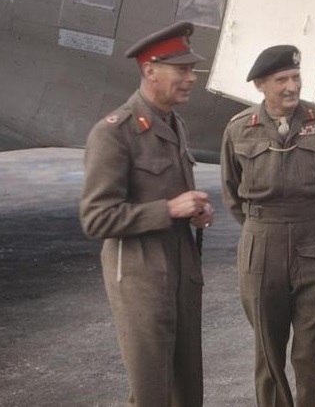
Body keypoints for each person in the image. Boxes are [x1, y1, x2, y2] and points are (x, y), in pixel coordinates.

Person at [221, 45, 315, 407]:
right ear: (260, 85)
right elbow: (231, 194)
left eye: (296, 77)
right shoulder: (239, 129)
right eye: (281, 79)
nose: (292, 86)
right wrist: (260, 229)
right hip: (261, 246)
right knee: (268, 353)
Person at [79, 21, 214, 407]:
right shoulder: (114, 133)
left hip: (182, 275)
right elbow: (96, 218)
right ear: (150, 69)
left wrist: (195, 214)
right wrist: (169, 209)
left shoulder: (175, 124)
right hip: (141, 280)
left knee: (188, 391)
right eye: (182, 69)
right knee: (153, 393)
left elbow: (175, 198)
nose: (191, 78)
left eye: (192, 70)